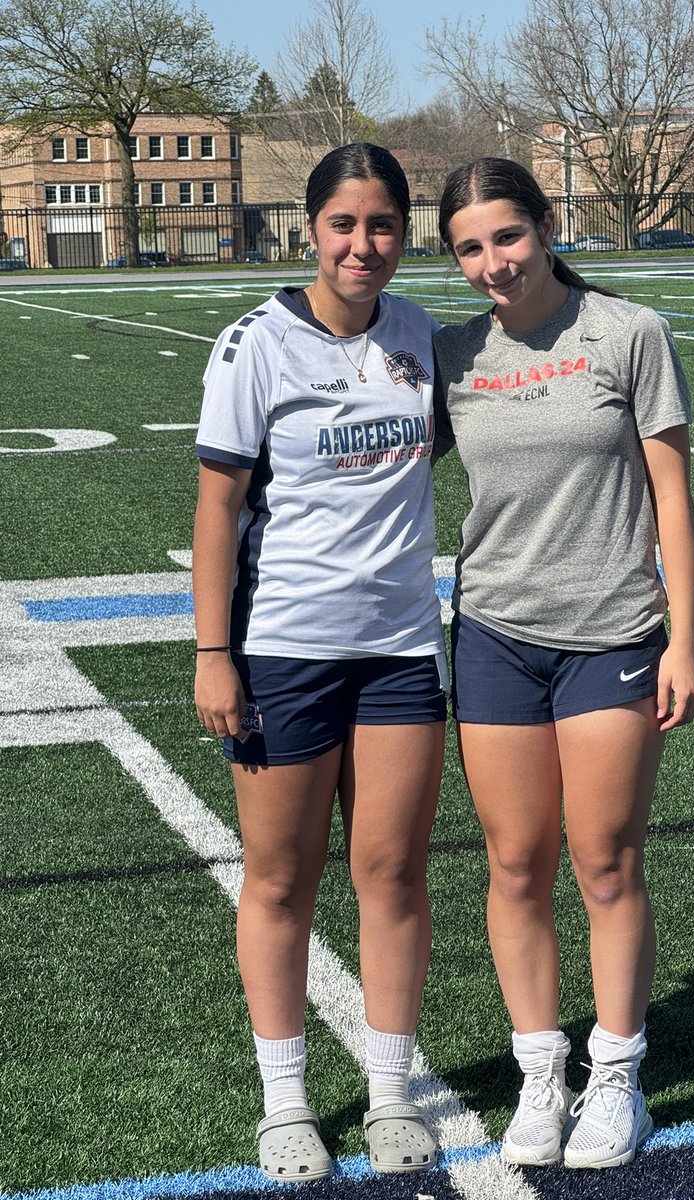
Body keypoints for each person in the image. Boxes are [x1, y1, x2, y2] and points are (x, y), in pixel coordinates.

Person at [432, 158, 694, 1171]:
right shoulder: (455, 354)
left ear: (544, 227)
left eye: (506, 236)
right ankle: (542, 1075)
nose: (492, 263)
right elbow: (376, 463)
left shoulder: (628, 335)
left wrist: (685, 637)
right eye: (469, 247)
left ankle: (618, 1078)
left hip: (613, 635)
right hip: (496, 636)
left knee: (604, 859)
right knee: (514, 864)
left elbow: (672, 499)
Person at [192, 143, 445, 1183]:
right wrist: (214, 653)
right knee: (281, 879)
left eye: (381, 224)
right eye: (343, 224)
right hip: (283, 650)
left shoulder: (419, 331)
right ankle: (285, 1101)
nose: (362, 244)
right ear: (309, 230)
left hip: (399, 653)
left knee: (390, 873)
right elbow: (216, 508)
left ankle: (391, 1094)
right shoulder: (254, 343)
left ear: (403, 232)